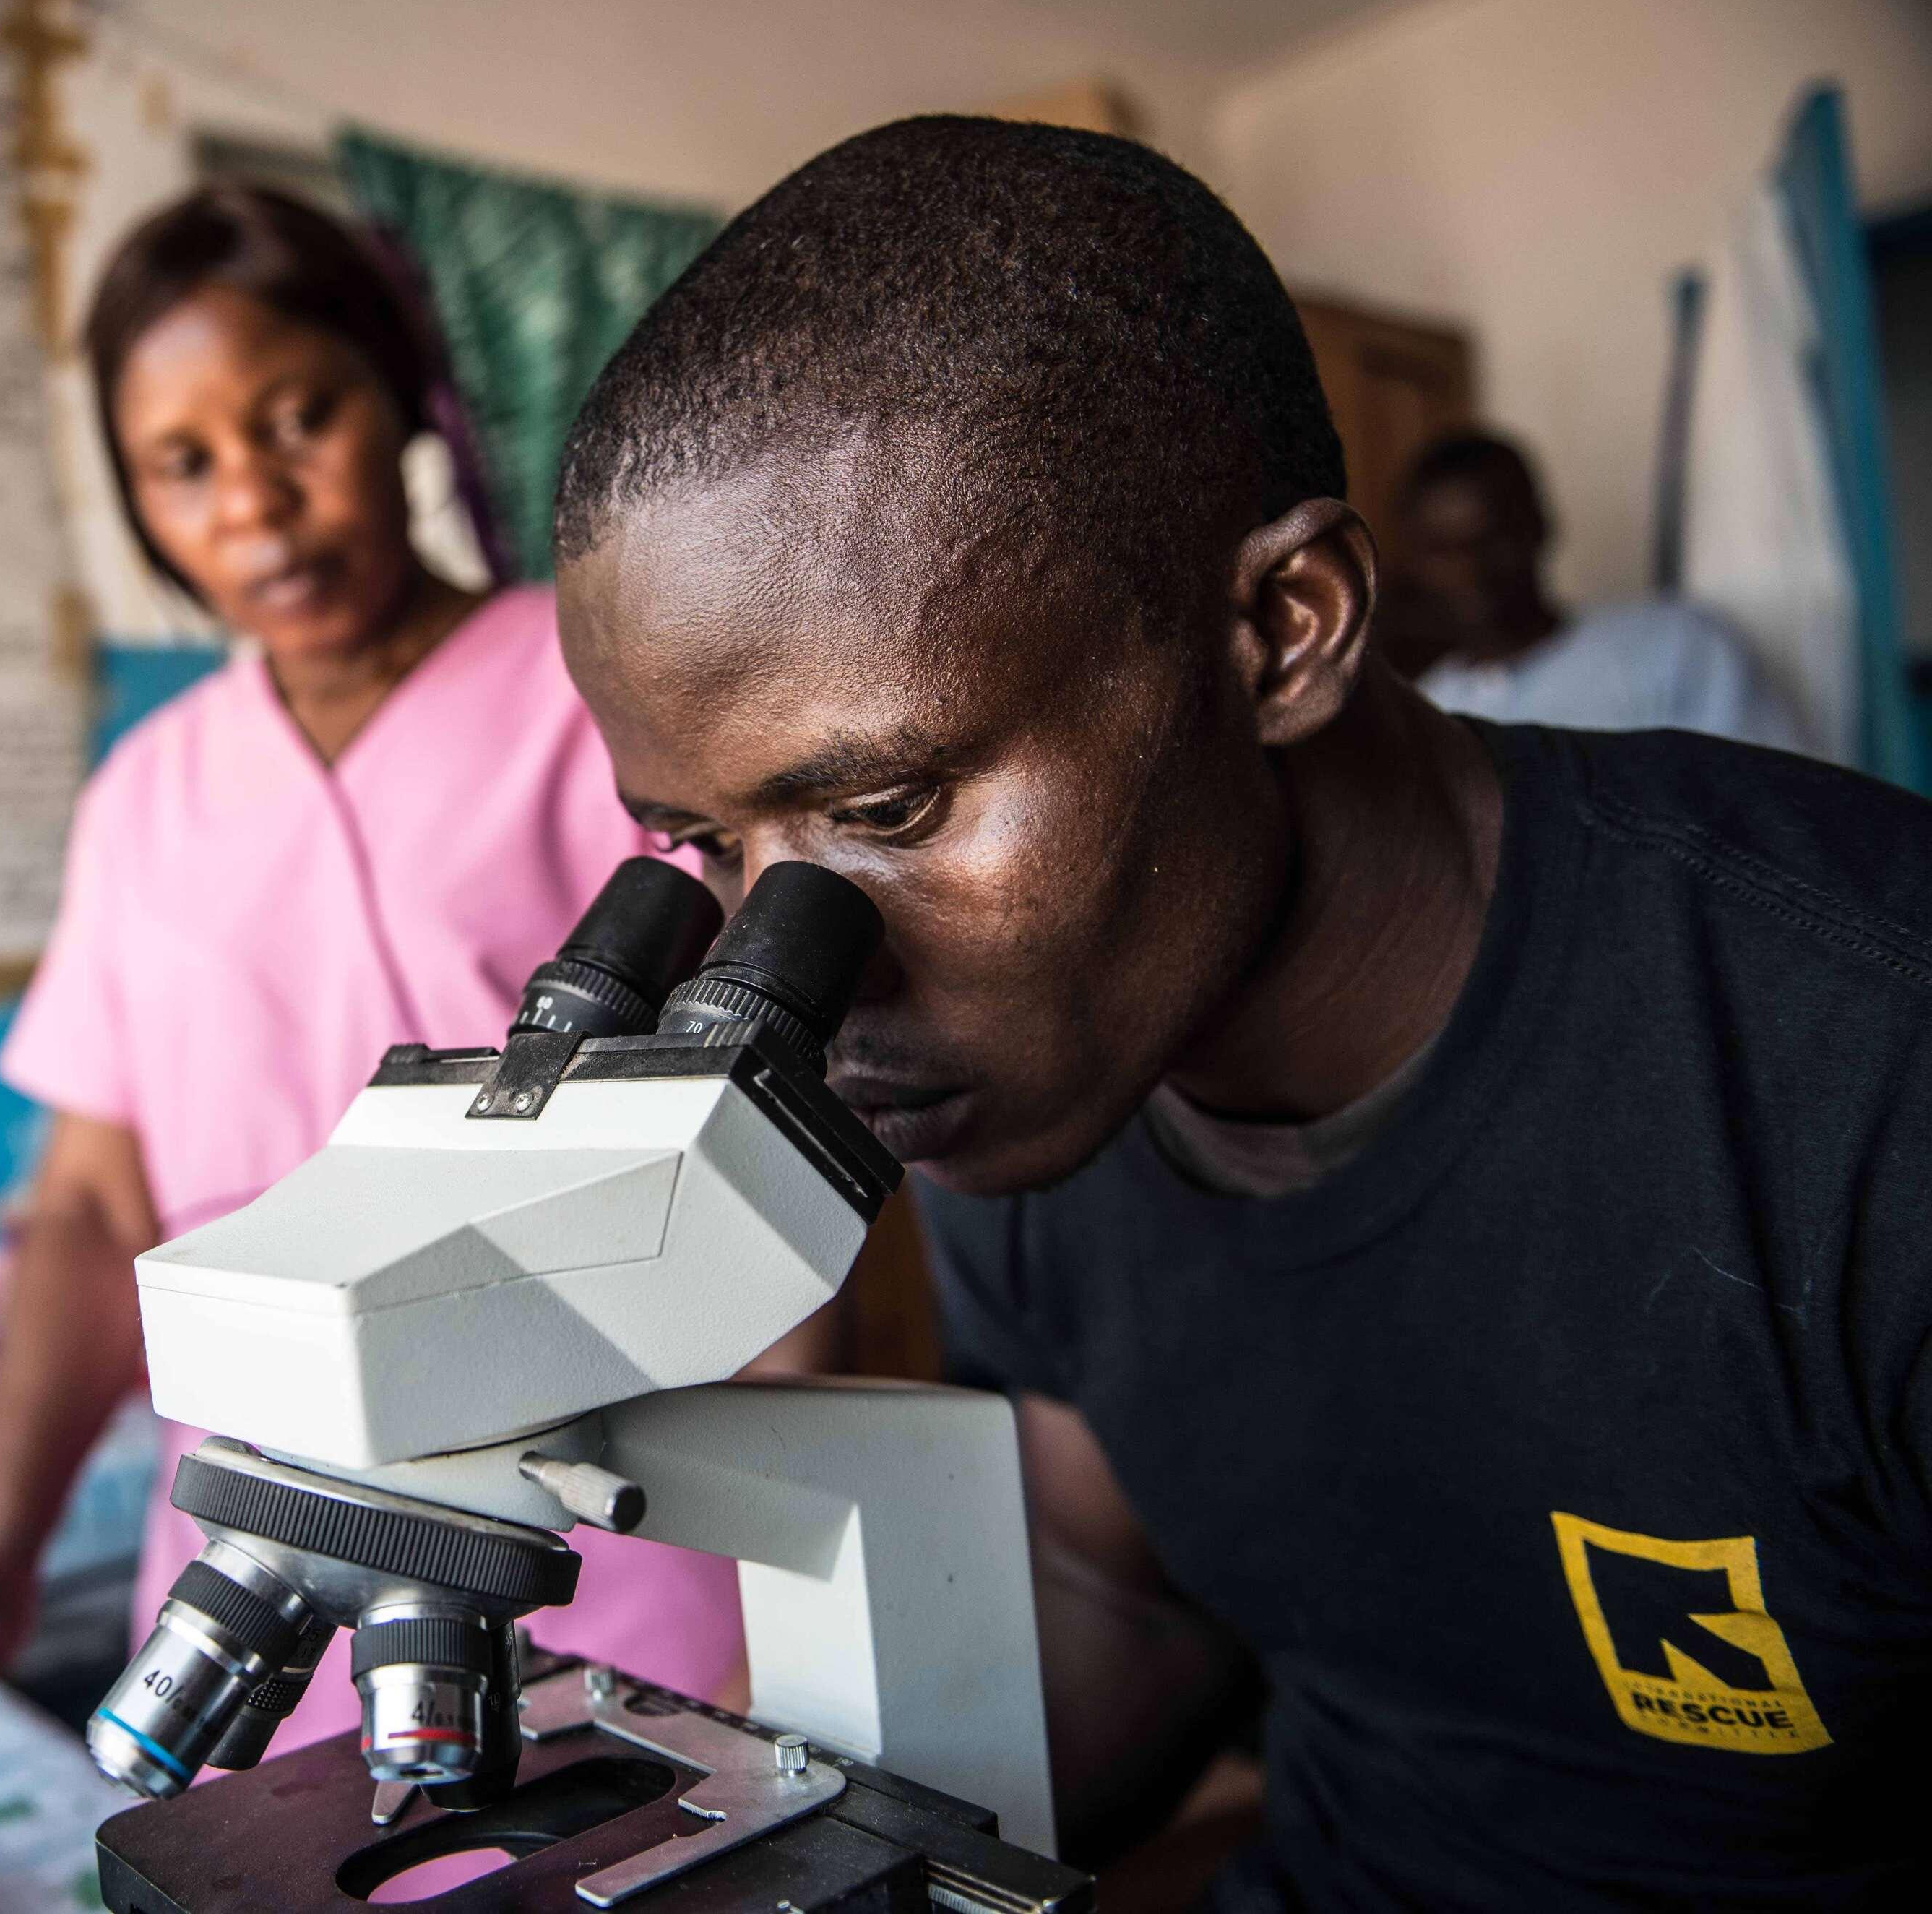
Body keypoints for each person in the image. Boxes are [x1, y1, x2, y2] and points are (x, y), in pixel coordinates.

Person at [548, 117, 1930, 1911]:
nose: (801, 973)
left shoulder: (1866, 1073)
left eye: (886, 812)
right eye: (700, 846)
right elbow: (1117, 1575)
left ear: (1285, 629)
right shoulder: (1031, 1084)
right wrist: (742, 1837)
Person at [0, 186, 786, 1769]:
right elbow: (96, 1213)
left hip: (602, 1542)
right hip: (249, 1586)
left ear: (403, 408)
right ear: (139, 507)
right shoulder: (144, 800)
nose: (254, 498)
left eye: (297, 416)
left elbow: (761, 1141)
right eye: (183, 464)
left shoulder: (597, 694)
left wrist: (805, 1568)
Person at [1385, 430, 1812, 752]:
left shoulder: (1676, 650)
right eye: (1444, 551)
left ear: (1540, 526)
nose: (1470, 571)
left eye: (1492, 539)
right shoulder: (1425, 717)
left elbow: (1770, 819)